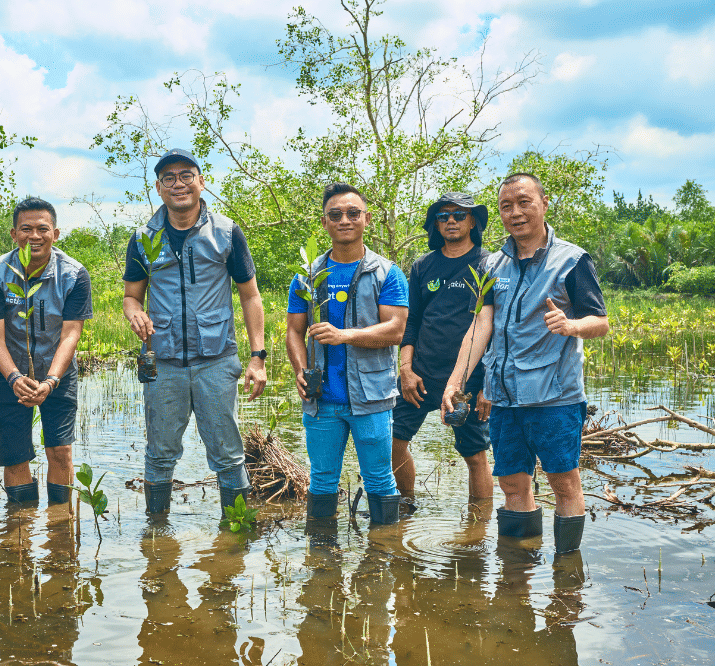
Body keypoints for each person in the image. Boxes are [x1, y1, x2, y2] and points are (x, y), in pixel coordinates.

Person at [441, 172, 609, 555]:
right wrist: (455, 383)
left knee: (564, 483)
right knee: (513, 485)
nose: (515, 212)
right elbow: (479, 327)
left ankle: (567, 574)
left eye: (524, 202)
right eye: (506, 206)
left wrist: (570, 325)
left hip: (555, 397)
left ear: (544, 204)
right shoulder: (491, 265)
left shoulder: (572, 260)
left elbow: (600, 322)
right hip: (503, 398)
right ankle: (518, 573)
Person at [123, 148, 267, 516]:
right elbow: (131, 297)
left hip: (216, 360)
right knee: (159, 454)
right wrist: (134, 313)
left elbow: (250, 296)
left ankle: (235, 540)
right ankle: (157, 541)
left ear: (201, 182)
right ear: (158, 188)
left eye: (187, 175)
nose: (179, 184)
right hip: (163, 362)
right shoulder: (142, 238)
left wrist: (257, 356)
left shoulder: (226, 232)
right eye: (169, 178)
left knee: (227, 454)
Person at [285, 182, 409, 524]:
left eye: (353, 213)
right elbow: (294, 331)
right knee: (322, 478)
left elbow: (395, 330)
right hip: (321, 397)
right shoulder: (307, 276)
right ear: (324, 223)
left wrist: (345, 335)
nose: (345, 220)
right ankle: (322, 559)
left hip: (371, 397)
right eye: (335, 214)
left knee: (380, 480)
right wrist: (300, 370)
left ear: (366, 219)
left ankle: (384, 551)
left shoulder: (387, 273)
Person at [0, 198, 92, 505]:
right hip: (9, 372)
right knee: (15, 455)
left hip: (58, 373)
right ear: (14, 234)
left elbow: (70, 334)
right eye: (26, 229)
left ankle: (59, 526)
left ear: (55, 234)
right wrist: (14, 377)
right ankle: (20, 527)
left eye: (43, 229)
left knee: (60, 450)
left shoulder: (74, 274)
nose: (35, 236)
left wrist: (51, 381)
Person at [392, 193, 494, 503]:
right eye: (443, 216)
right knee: (393, 441)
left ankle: (477, 533)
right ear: (435, 224)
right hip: (421, 376)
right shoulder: (423, 266)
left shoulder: (489, 264)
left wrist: (487, 385)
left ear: (472, 221)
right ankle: (406, 505)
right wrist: (406, 369)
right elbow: (412, 322)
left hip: (469, 379)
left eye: (459, 215)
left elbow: (495, 329)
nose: (450, 220)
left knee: (474, 455)